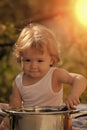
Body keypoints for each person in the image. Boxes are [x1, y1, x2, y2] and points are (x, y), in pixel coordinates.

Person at [0, 23, 87, 130]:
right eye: (27, 60)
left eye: (40, 60)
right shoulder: (19, 81)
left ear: (51, 59)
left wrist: (74, 94)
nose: (33, 65)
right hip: (30, 124)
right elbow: (15, 108)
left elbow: (80, 79)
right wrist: (7, 120)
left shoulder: (55, 75)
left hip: (56, 123)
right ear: (20, 58)